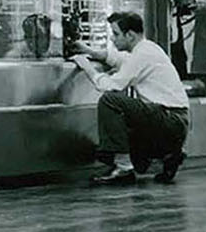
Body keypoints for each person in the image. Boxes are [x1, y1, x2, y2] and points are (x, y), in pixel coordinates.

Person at [72, 11, 190, 186]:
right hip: (176, 121)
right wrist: (90, 51)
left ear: (130, 35)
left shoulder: (142, 54)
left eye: (116, 34)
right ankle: (168, 154)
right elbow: (120, 59)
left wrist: (87, 67)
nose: (113, 39)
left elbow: (111, 86)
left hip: (169, 119)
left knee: (110, 100)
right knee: (140, 164)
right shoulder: (148, 48)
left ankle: (123, 167)